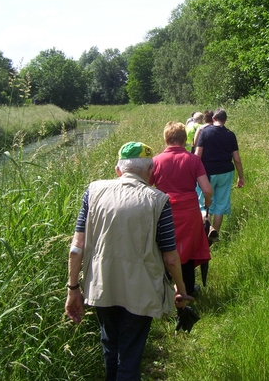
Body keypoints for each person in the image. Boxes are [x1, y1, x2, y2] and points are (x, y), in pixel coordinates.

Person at [65, 141, 193, 381]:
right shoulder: (159, 200)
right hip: (140, 290)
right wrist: (181, 289)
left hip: (101, 286)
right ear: (151, 172)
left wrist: (73, 289)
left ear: (118, 170)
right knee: (130, 354)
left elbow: (76, 249)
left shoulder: (92, 191)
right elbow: (170, 257)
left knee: (110, 346)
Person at [150, 122, 213, 295]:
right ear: (185, 139)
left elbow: (145, 188)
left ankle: (168, 292)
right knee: (188, 252)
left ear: (165, 139)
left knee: (165, 249)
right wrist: (207, 202)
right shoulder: (193, 160)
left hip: (164, 211)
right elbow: (206, 189)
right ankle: (188, 290)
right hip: (189, 213)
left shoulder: (155, 161)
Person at [195, 108, 244, 239]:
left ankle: (208, 229)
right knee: (221, 204)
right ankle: (214, 235)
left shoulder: (205, 133)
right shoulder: (230, 134)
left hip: (207, 173)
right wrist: (241, 177)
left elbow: (197, 156)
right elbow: (237, 160)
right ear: (225, 120)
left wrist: (193, 173)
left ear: (213, 119)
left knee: (205, 203)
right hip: (226, 172)